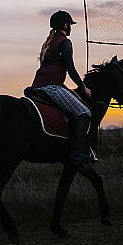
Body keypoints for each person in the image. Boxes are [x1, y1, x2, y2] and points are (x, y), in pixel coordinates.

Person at [31, 10, 95, 163]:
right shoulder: (64, 42)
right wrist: (83, 87)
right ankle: (77, 152)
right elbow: (70, 68)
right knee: (84, 112)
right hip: (52, 87)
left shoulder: (50, 42)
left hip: (37, 86)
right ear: (65, 25)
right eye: (70, 25)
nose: (71, 28)